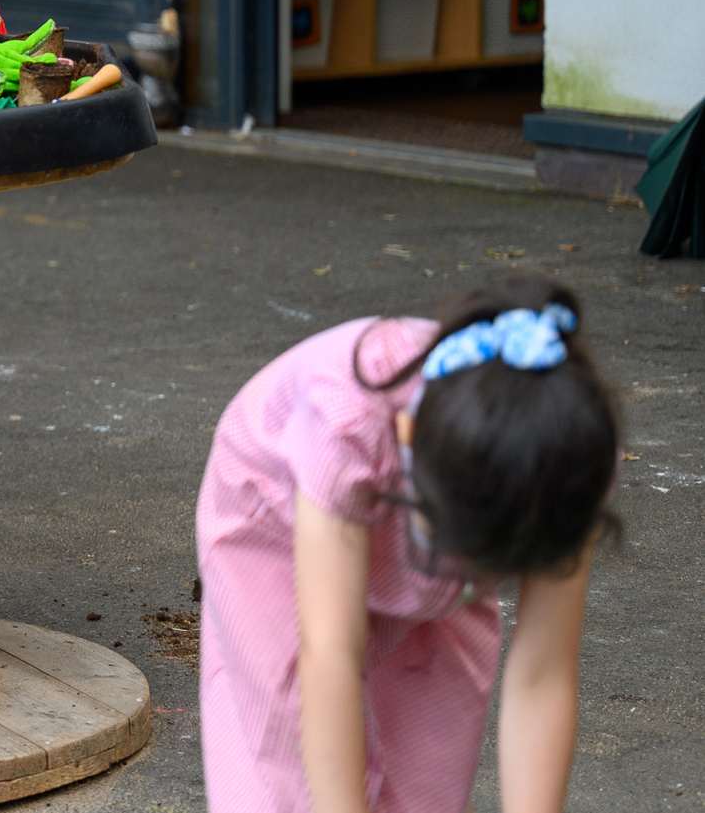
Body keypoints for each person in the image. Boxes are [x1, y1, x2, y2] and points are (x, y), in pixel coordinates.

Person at [196, 275, 619, 812]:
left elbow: (543, 675)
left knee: (426, 761)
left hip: (456, 516)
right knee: (292, 769)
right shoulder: (348, 423)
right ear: (408, 443)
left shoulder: (571, 459)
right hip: (276, 519)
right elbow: (329, 656)